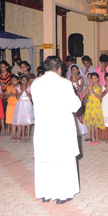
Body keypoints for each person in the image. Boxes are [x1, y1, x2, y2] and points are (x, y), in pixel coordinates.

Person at [31, 55, 82, 204]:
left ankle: (45, 194)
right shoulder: (64, 83)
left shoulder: (35, 83)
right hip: (61, 128)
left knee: (45, 160)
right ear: (60, 69)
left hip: (43, 128)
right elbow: (75, 106)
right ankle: (62, 195)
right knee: (63, 160)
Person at [83, 73, 105, 145]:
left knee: (95, 123)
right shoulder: (89, 86)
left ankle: (97, 139)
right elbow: (85, 97)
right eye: (92, 78)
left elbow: (100, 98)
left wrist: (93, 92)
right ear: (90, 79)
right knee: (91, 123)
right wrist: (89, 94)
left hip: (96, 106)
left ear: (98, 79)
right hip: (90, 105)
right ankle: (92, 138)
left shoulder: (100, 87)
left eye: (95, 78)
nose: (94, 80)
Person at [12, 74, 34, 142]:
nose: (24, 81)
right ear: (20, 81)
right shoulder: (18, 88)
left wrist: (26, 91)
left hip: (27, 104)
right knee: (22, 121)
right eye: (23, 80)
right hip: (20, 104)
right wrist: (22, 90)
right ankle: (23, 136)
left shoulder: (29, 87)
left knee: (27, 121)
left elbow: (30, 98)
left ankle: (28, 136)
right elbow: (17, 97)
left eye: (25, 80)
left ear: (27, 81)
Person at [70, 64, 87, 136]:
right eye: (72, 70)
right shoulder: (70, 79)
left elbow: (80, 89)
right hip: (72, 95)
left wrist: (76, 80)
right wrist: (72, 81)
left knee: (80, 112)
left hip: (79, 95)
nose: (74, 71)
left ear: (78, 70)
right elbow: (69, 88)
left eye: (75, 69)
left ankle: (82, 130)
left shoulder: (81, 78)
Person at [0, 60, 11, 138]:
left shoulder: (10, 75)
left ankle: (8, 130)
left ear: (7, 67)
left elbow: (13, 85)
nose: (2, 69)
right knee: (1, 114)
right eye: (1, 67)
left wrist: (5, 85)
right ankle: (3, 130)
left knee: (9, 114)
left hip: (8, 97)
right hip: (0, 97)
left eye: (4, 67)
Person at [5, 75, 19, 139]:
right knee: (10, 119)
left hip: (17, 106)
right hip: (10, 105)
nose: (13, 81)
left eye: (14, 80)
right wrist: (8, 95)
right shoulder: (9, 87)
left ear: (18, 80)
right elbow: (4, 96)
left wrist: (15, 95)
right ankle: (13, 134)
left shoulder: (20, 87)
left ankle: (18, 134)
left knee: (17, 120)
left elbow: (21, 96)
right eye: (12, 80)